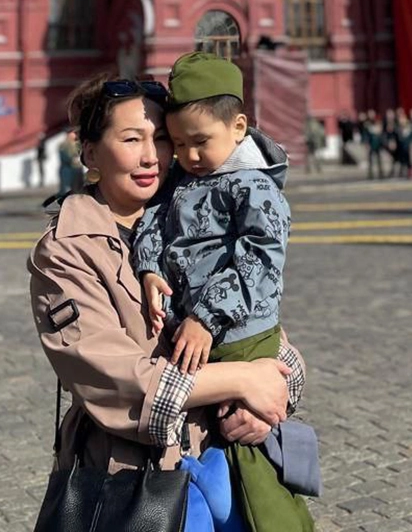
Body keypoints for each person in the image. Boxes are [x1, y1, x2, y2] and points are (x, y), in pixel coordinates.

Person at [28, 73, 306, 515]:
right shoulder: (67, 249)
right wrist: (243, 380)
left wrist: (273, 394)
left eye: (160, 138)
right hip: (135, 482)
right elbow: (115, 380)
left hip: (226, 456)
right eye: (131, 138)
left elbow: (264, 325)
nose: (149, 157)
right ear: (89, 151)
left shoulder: (194, 214)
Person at [133, 52, 313, 530]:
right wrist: (150, 269)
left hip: (240, 330)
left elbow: (261, 258)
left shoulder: (253, 186)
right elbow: (153, 221)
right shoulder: (183, 180)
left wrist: (206, 316)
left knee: (250, 444)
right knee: (223, 443)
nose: (189, 155)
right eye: (178, 143)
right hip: (201, 333)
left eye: (200, 142)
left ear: (238, 127)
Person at [57, 129, 83, 195]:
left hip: (77, 169)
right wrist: (72, 159)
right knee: (66, 189)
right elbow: (63, 156)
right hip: (67, 169)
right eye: (72, 133)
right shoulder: (63, 145)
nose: (74, 135)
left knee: (78, 188)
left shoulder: (77, 144)